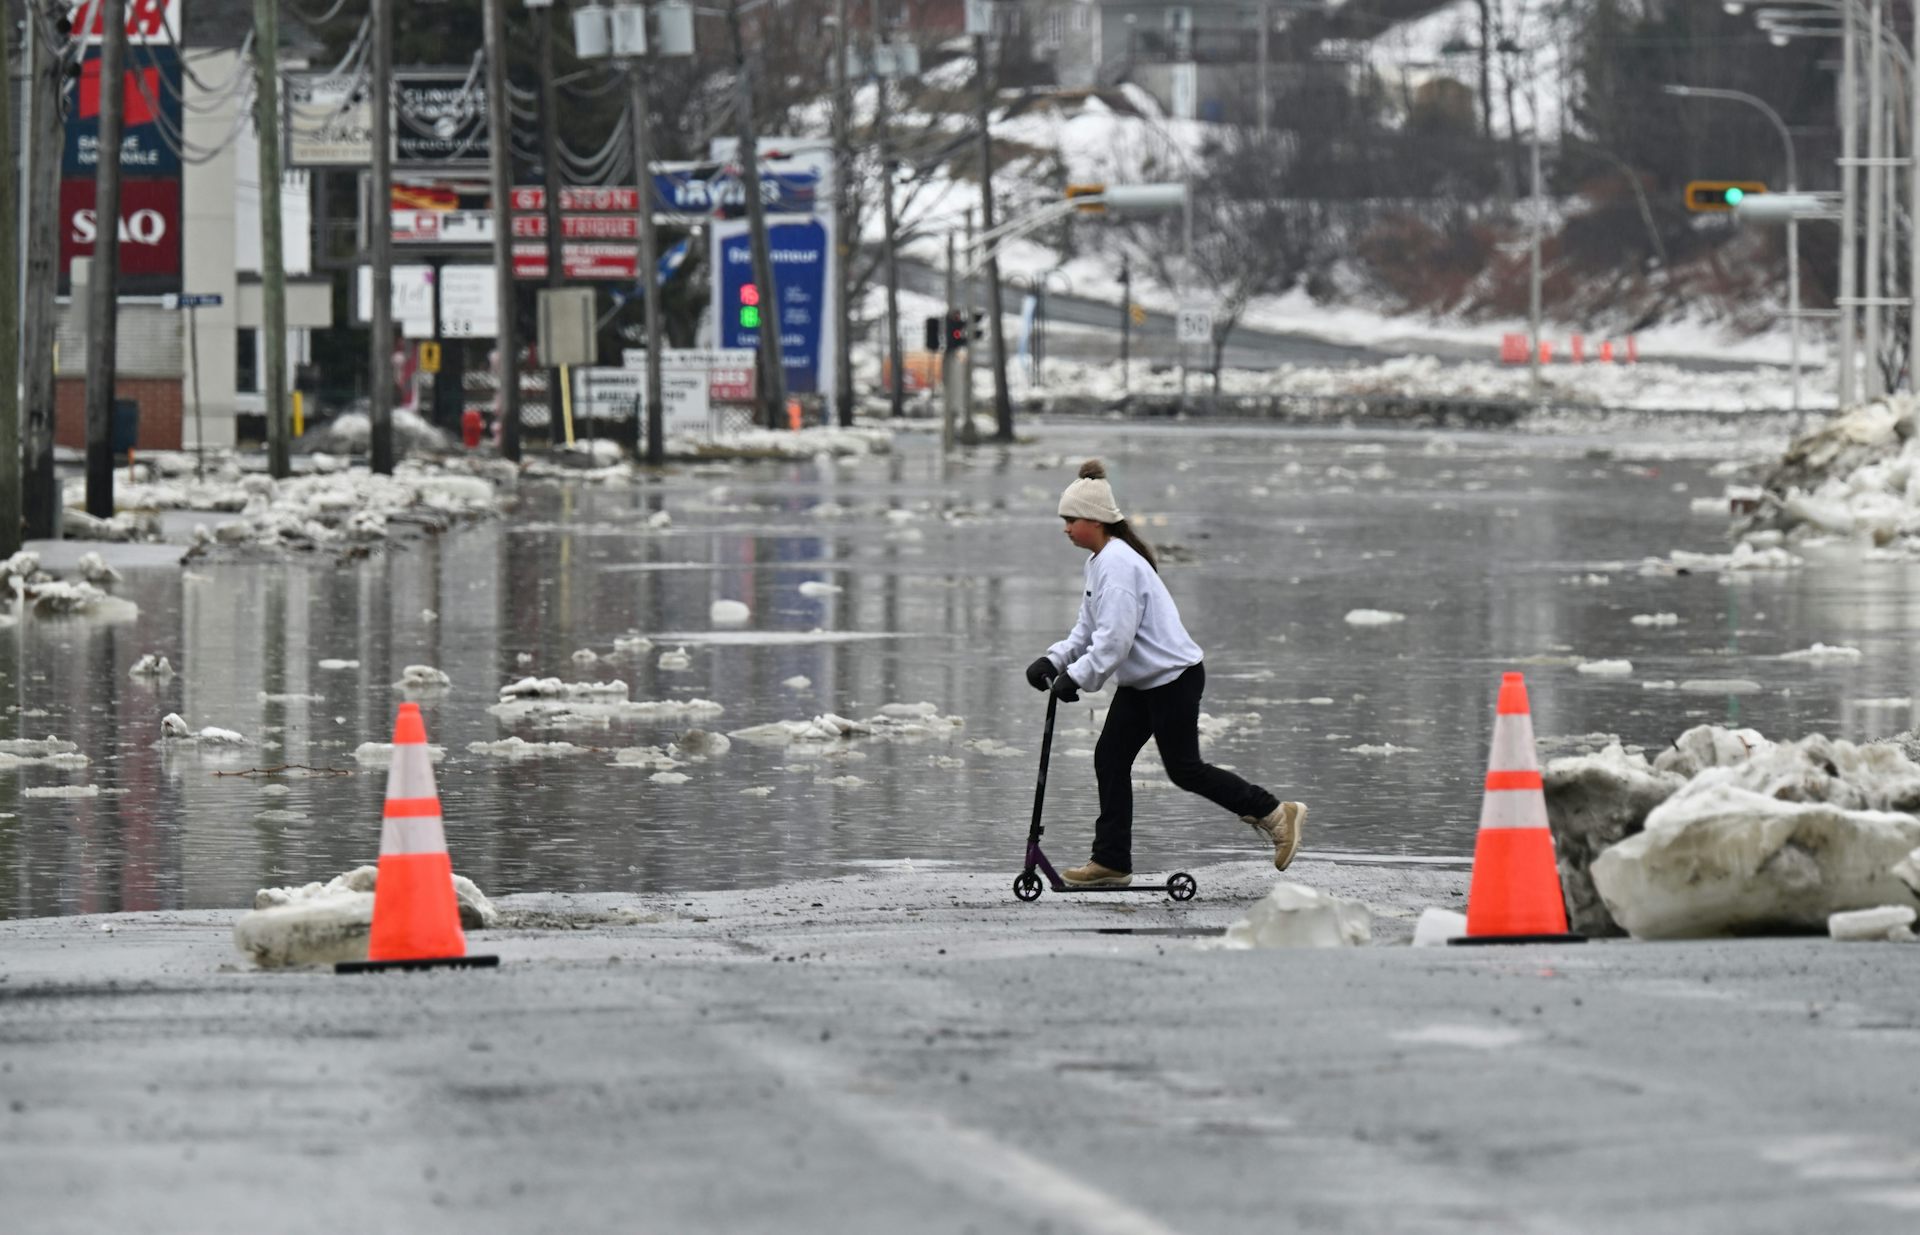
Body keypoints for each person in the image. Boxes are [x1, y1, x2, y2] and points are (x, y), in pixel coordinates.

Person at [1026, 460, 1305, 887]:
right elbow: (1088, 629)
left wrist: (1078, 677)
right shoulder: (1100, 562)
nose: (1065, 528)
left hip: (1173, 678)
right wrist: (1055, 661)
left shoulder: (1119, 566)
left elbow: (1115, 641)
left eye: (1071, 520)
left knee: (1184, 769)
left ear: (1096, 522)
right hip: (1143, 682)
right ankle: (1112, 863)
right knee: (1111, 758)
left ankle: (1274, 813)